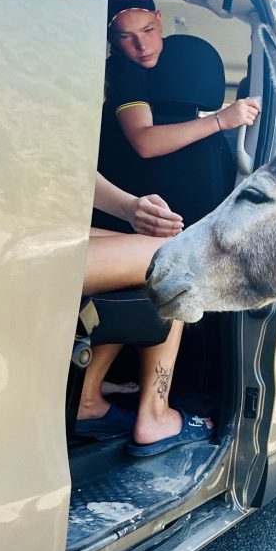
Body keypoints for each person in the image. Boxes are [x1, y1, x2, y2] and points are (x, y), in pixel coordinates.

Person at [97, 0, 260, 228]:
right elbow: (145, 141)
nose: (142, 45)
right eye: (126, 37)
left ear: (159, 19)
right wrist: (220, 120)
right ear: (111, 41)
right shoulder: (121, 71)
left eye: (148, 29)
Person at [76, 174, 212, 456]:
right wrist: (128, 206)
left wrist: (130, 208)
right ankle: (155, 415)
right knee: (175, 257)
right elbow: (63, 160)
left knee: (140, 251)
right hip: (8, 242)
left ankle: (86, 399)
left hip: (15, 228)